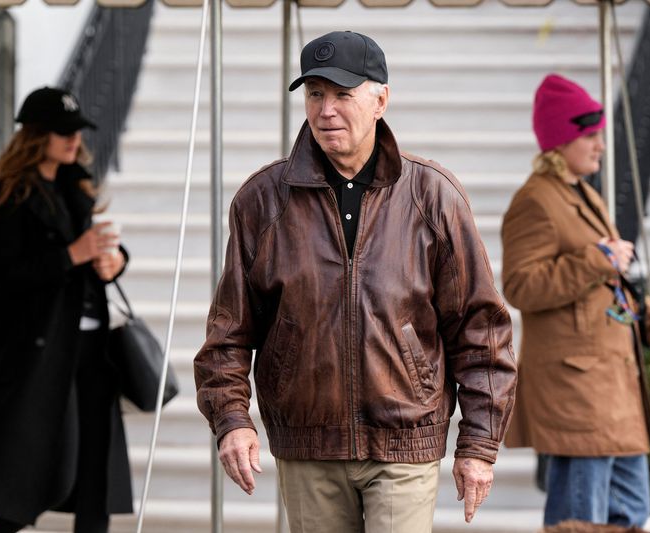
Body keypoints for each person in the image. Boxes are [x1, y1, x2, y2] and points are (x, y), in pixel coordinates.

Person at [194, 31, 517, 532]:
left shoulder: (433, 197)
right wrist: (232, 421)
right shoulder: (262, 201)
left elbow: (481, 330)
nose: (326, 111)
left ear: (380, 99)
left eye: (343, 94)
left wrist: (478, 445)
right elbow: (227, 335)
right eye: (315, 94)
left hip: (406, 440)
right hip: (307, 443)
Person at [0, 87, 134, 533]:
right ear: (35, 135)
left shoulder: (74, 188)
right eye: (63, 132)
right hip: (40, 358)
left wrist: (114, 260)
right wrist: (72, 255)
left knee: (94, 480)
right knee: (26, 484)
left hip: (92, 351)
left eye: (76, 132)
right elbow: (8, 276)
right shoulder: (11, 198)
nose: (73, 141)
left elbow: (99, 251)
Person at [501, 73, 650, 528]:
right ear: (561, 140)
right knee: (580, 521)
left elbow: (608, 288)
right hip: (579, 394)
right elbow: (520, 286)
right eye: (590, 135)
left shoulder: (583, 192)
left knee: (629, 515)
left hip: (613, 390)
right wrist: (595, 259)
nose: (601, 145)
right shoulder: (536, 201)